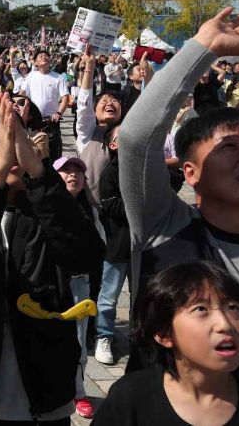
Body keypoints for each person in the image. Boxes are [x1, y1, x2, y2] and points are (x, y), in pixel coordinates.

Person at [120, 8, 239, 389]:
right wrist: (203, 46)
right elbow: (137, 139)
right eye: (229, 148)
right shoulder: (165, 226)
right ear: (190, 173)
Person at [0, 95, 105, 425]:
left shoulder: (49, 206)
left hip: (44, 391)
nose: (8, 148)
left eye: (16, 138)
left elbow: (85, 256)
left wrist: (40, 177)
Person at [94, 261, 239, 425]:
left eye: (232, 307)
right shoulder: (129, 400)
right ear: (164, 333)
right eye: (201, 309)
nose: (225, 324)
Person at [53, 155, 105, 420]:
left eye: (78, 172)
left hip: (78, 285)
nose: (73, 175)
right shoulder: (42, 208)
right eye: (65, 171)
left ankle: (78, 391)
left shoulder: (90, 212)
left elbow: (99, 248)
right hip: (47, 284)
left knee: (77, 341)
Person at [94, 124, 129, 366]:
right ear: (113, 145)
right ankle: (103, 336)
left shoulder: (147, 168)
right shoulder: (110, 173)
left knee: (145, 295)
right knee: (108, 297)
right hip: (117, 245)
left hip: (144, 245)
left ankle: (142, 337)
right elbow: (113, 208)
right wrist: (141, 203)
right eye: (121, 135)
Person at [74, 47, 123, 200]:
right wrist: (89, 68)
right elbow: (83, 105)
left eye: (114, 101)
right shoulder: (87, 132)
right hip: (93, 208)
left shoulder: (128, 133)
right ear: (94, 111)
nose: (110, 103)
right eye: (104, 101)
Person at [26, 48, 69, 161]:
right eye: (40, 56)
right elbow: (23, 94)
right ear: (35, 62)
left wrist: (59, 112)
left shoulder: (58, 77)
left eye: (46, 56)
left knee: (54, 154)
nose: (44, 57)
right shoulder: (31, 76)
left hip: (51, 121)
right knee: (35, 153)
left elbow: (65, 97)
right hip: (34, 121)